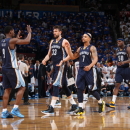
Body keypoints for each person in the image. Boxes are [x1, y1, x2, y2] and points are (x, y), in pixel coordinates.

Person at [65, 33, 105, 114]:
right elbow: (73, 57)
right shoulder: (80, 48)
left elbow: (95, 58)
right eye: (82, 36)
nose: (83, 37)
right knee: (79, 88)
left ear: (89, 38)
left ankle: (100, 102)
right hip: (81, 70)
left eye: (85, 36)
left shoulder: (92, 48)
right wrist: (68, 49)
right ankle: (80, 107)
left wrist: (90, 66)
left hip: (89, 70)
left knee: (92, 90)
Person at [41, 25, 77, 114]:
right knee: (64, 85)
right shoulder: (52, 42)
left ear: (60, 32)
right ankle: (74, 105)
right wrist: (44, 60)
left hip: (62, 66)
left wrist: (63, 60)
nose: (54, 33)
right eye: (54, 31)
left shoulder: (64, 41)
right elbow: (49, 54)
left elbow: (70, 55)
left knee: (56, 84)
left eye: (56, 31)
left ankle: (52, 107)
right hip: (55, 65)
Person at [0, 25, 32, 118]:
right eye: (13, 31)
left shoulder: (2, 41)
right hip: (12, 68)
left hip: (4, 68)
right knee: (22, 87)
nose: (14, 32)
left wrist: (16, 37)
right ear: (10, 32)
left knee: (7, 89)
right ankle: (15, 108)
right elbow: (27, 41)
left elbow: (10, 45)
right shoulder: (12, 41)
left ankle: (4, 111)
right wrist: (29, 32)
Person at [105, 38, 130, 109]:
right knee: (116, 85)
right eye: (117, 42)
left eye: (119, 41)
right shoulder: (117, 50)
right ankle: (113, 102)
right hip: (119, 69)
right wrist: (117, 62)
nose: (118, 43)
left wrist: (123, 62)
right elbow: (118, 59)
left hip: (126, 68)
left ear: (123, 42)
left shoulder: (127, 48)